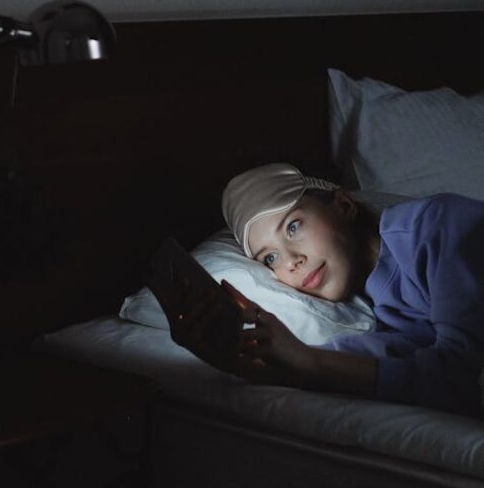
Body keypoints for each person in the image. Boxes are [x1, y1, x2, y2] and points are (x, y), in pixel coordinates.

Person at [179, 162, 484, 418]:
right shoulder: (382, 315)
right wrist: (241, 359)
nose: (292, 261)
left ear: (342, 205)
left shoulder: (437, 225)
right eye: (270, 258)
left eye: (293, 227)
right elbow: (379, 369)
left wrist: (309, 362)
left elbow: (466, 378)